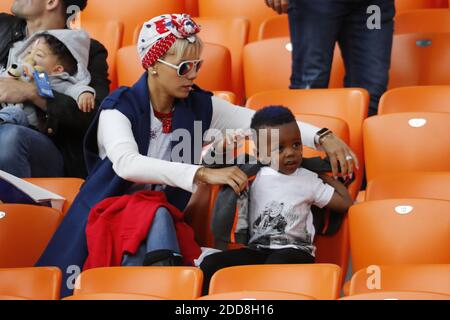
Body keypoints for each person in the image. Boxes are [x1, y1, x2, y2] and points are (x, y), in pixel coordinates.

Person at [35, 14, 358, 297]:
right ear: (153, 65)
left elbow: (260, 124)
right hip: (110, 217)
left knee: (160, 226)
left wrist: (321, 136)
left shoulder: (200, 105)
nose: (193, 75)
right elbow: (127, 164)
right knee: (152, 222)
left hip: (163, 220)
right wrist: (201, 173)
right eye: (184, 67)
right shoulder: (118, 108)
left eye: (197, 66)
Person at [199, 106, 353, 294]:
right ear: (260, 153)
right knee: (211, 263)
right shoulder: (251, 172)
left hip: (296, 251)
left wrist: (325, 177)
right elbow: (209, 167)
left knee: (275, 265)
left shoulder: (308, 178)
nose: (290, 153)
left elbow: (345, 202)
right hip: (258, 249)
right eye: (279, 148)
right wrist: (220, 147)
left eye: (296, 145)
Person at [0, 0, 110, 178]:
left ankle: (17, 207)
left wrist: (32, 92)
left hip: (44, 148)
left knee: (8, 137)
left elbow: (94, 117)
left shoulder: (86, 51)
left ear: (51, 2)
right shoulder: (3, 27)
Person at [264, 0, 395, 116]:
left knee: (370, 92)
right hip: (314, 4)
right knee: (310, 85)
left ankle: (349, 143)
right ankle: (306, 143)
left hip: (372, 4)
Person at [0, 30, 96, 129]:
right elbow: (4, 80)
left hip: (27, 121)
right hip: (6, 105)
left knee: (14, 113)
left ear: (57, 69)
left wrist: (84, 93)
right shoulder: (23, 72)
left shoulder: (58, 82)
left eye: (39, 55)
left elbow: (75, 89)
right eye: (29, 52)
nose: (30, 57)